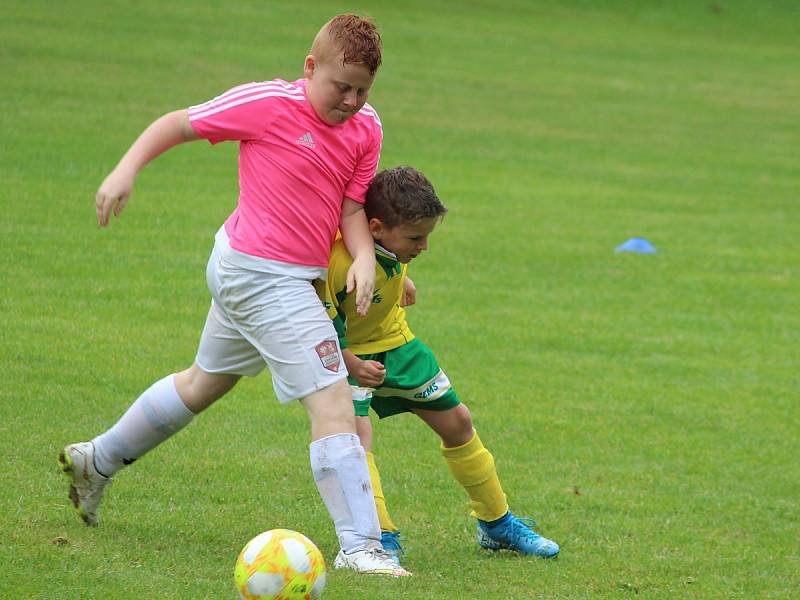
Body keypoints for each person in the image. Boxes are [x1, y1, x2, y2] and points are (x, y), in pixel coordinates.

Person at [58, 14, 410, 577]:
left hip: (276, 275)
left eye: (361, 89)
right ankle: (363, 547)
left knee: (203, 383)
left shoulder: (367, 128)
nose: (349, 100)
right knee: (333, 402)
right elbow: (178, 124)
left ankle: (95, 460)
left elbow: (349, 208)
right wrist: (126, 170)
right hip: (259, 273)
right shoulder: (268, 104)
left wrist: (365, 256)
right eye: (339, 86)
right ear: (310, 67)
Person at [315, 166, 560, 567]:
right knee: (357, 443)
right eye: (416, 238)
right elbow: (322, 319)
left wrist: (399, 282)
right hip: (352, 356)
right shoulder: (338, 262)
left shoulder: (389, 246)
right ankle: (380, 537)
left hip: (399, 346)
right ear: (375, 228)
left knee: (459, 423)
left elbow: (387, 268)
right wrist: (350, 362)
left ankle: (497, 526)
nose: (424, 245)